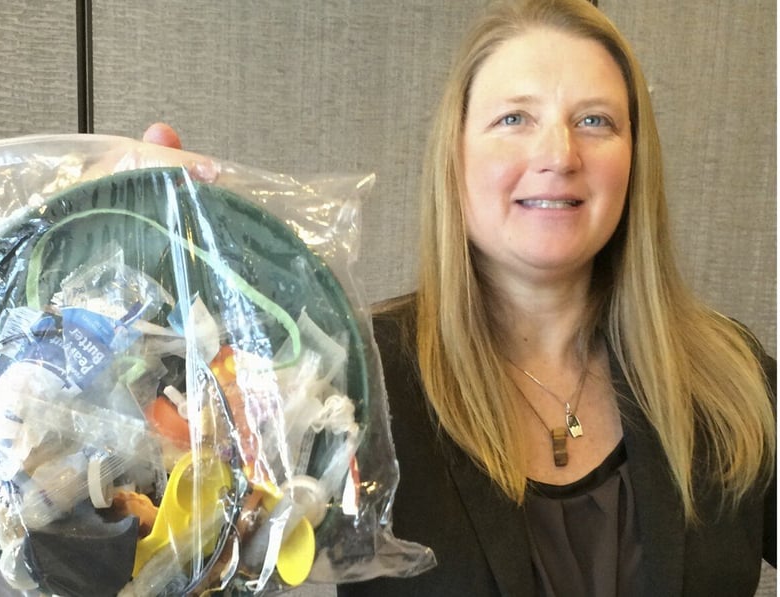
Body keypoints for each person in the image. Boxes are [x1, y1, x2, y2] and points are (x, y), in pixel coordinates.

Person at [143, 0, 776, 593]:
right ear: (456, 157)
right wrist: (132, 271)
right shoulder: (348, 379)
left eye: (595, 121)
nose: (558, 153)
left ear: (635, 160)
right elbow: (167, 552)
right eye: (514, 119)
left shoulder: (727, 379)